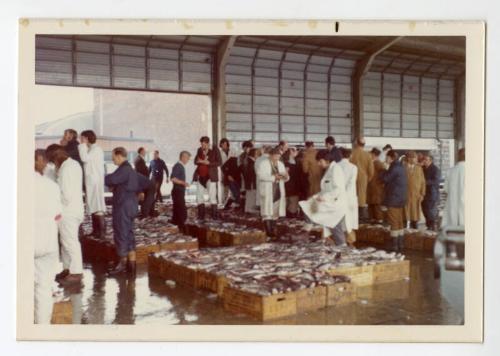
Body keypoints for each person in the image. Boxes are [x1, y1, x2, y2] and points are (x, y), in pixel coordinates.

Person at [34, 149, 62, 324]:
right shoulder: (51, 186)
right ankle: (41, 331)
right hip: (47, 242)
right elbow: (58, 215)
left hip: (21, 243)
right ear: (38, 160)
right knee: (43, 289)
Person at [51, 145, 84, 286]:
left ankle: (76, 272)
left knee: (70, 242)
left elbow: (66, 195)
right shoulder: (72, 164)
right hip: (70, 210)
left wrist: (53, 197)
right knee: (65, 242)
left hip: (68, 211)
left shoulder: (67, 168)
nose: (54, 164)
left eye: (53, 161)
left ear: (57, 157)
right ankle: (67, 268)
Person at [299, 150, 349, 246]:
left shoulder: (336, 169)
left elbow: (338, 189)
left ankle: (305, 232)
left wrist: (324, 197)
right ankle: (342, 247)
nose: (318, 164)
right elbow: (325, 190)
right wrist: (316, 196)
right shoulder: (329, 169)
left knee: (334, 226)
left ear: (326, 160)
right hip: (330, 203)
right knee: (334, 226)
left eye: (320, 161)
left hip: (336, 204)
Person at [105, 147, 141, 276]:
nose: (112, 159)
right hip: (131, 205)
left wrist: (105, 177)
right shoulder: (130, 169)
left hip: (123, 206)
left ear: (119, 155)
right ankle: (132, 265)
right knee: (129, 234)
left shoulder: (124, 169)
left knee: (121, 233)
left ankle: (121, 265)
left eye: (113, 156)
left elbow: (110, 179)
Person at [78, 130, 106, 239]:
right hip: (92, 180)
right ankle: (96, 231)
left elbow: (84, 158)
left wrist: (82, 146)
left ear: (87, 138)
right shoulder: (91, 149)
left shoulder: (96, 149)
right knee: (94, 206)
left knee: (97, 205)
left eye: (82, 138)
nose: (80, 140)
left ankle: (101, 232)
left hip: (95, 181)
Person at [257, 147, 289, 239]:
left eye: (279, 156)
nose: (277, 158)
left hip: (278, 189)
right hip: (268, 189)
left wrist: (286, 176)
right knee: (267, 212)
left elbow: (286, 177)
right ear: (271, 155)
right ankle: (268, 232)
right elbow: (261, 176)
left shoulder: (280, 164)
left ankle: (273, 230)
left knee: (275, 211)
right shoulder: (263, 163)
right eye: (275, 156)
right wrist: (274, 177)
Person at [380, 150, 408, 252]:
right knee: (399, 222)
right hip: (400, 198)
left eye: (387, 157)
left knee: (394, 222)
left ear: (391, 158)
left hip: (393, 199)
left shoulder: (394, 167)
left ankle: (394, 245)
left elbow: (385, 179)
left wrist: (383, 169)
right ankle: (400, 243)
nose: (385, 159)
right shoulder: (400, 167)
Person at [193, 136, 222, 220]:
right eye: (202, 144)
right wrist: (202, 161)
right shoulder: (199, 150)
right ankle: (201, 216)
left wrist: (208, 163)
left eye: (205, 144)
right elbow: (195, 161)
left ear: (208, 143)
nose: (203, 146)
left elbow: (219, 162)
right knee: (199, 196)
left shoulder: (215, 150)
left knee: (212, 196)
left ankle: (214, 216)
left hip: (210, 176)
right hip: (200, 176)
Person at [350, 137, 374, 223]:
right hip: (363, 179)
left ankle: (352, 217)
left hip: (352, 178)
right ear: (364, 145)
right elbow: (371, 171)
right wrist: (367, 179)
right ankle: (361, 218)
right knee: (362, 198)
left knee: (352, 196)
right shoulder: (368, 155)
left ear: (356, 143)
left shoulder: (352, 153)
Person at [338, 148, 359, 247]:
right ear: (350, 156)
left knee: (339, 220)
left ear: (341, 155)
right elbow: (351, 183)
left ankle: (340, 241)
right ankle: (351, 242)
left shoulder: (336, 166)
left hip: (338, 197)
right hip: (349, 197)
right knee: (349, 221)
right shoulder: (353, 167)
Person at [442, 148, 465, 228]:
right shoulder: (473, 171)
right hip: (466, 205)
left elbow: (446, 189)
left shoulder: (450, 171)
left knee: (453, 230)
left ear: (457, 157)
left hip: (452, 205)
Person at [404, 151, 426, 229]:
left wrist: (422, 194)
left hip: (416, 196)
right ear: (408, 158)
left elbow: (423, 182)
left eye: (415, 158)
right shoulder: (403, 168)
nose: (414, 159)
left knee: (415, 217)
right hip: (406, 196)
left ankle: (415, 233)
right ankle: (405, 233)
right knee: (405, 216)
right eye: (412, 158)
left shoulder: (419, 168)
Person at [170, 151, 191, 231]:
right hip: (178, 191)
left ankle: (177, 229)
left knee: (177, 212)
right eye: (187, 158)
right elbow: (173, 179)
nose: (187, 160)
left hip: (177, 191)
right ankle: (182, 230)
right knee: (182, 213)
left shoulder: (179, 166)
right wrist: (184, 183)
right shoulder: (178, 166)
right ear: (183, 157)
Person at [422, 154, 442, 231]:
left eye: (426, 160)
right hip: (424, 194)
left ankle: (433, 227)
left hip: (432, 194)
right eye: (424, 159)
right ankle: (428, 226)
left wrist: (424, 182)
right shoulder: (422, 169)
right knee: (425, 211)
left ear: (431, 160)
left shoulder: (435, 169)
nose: (424, 161)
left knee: (431, 211)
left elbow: (436, 180)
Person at [367, 148, 386, 224]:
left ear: (374, 155)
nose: (370, 155)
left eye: (371, 154)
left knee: (376, 206)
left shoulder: (378, 163)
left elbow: (383, 175)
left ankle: (379, 221)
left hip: (376, 189)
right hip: (373, 189)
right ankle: (374, 220)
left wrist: (379, 182)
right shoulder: (374, 163)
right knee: (372, 206)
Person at [283, 147, 301, 218]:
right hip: (293, 186)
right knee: (293, 203)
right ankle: (291, 215)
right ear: (291, 153)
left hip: (287, 186)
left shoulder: (284, 164)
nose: (297, 152)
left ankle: (287, 215)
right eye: (295, 151)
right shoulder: (296, 164)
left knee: (287, 202)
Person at [242, 148, 259, 214]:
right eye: (257, 153)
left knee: (249, 195)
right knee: (251, 195)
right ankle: (250, 209)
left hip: (248, 181)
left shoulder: (247, 160)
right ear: (254, 154)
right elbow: (251, 173)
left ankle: (247, 209)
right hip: (252, 181)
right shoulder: (251, 162)